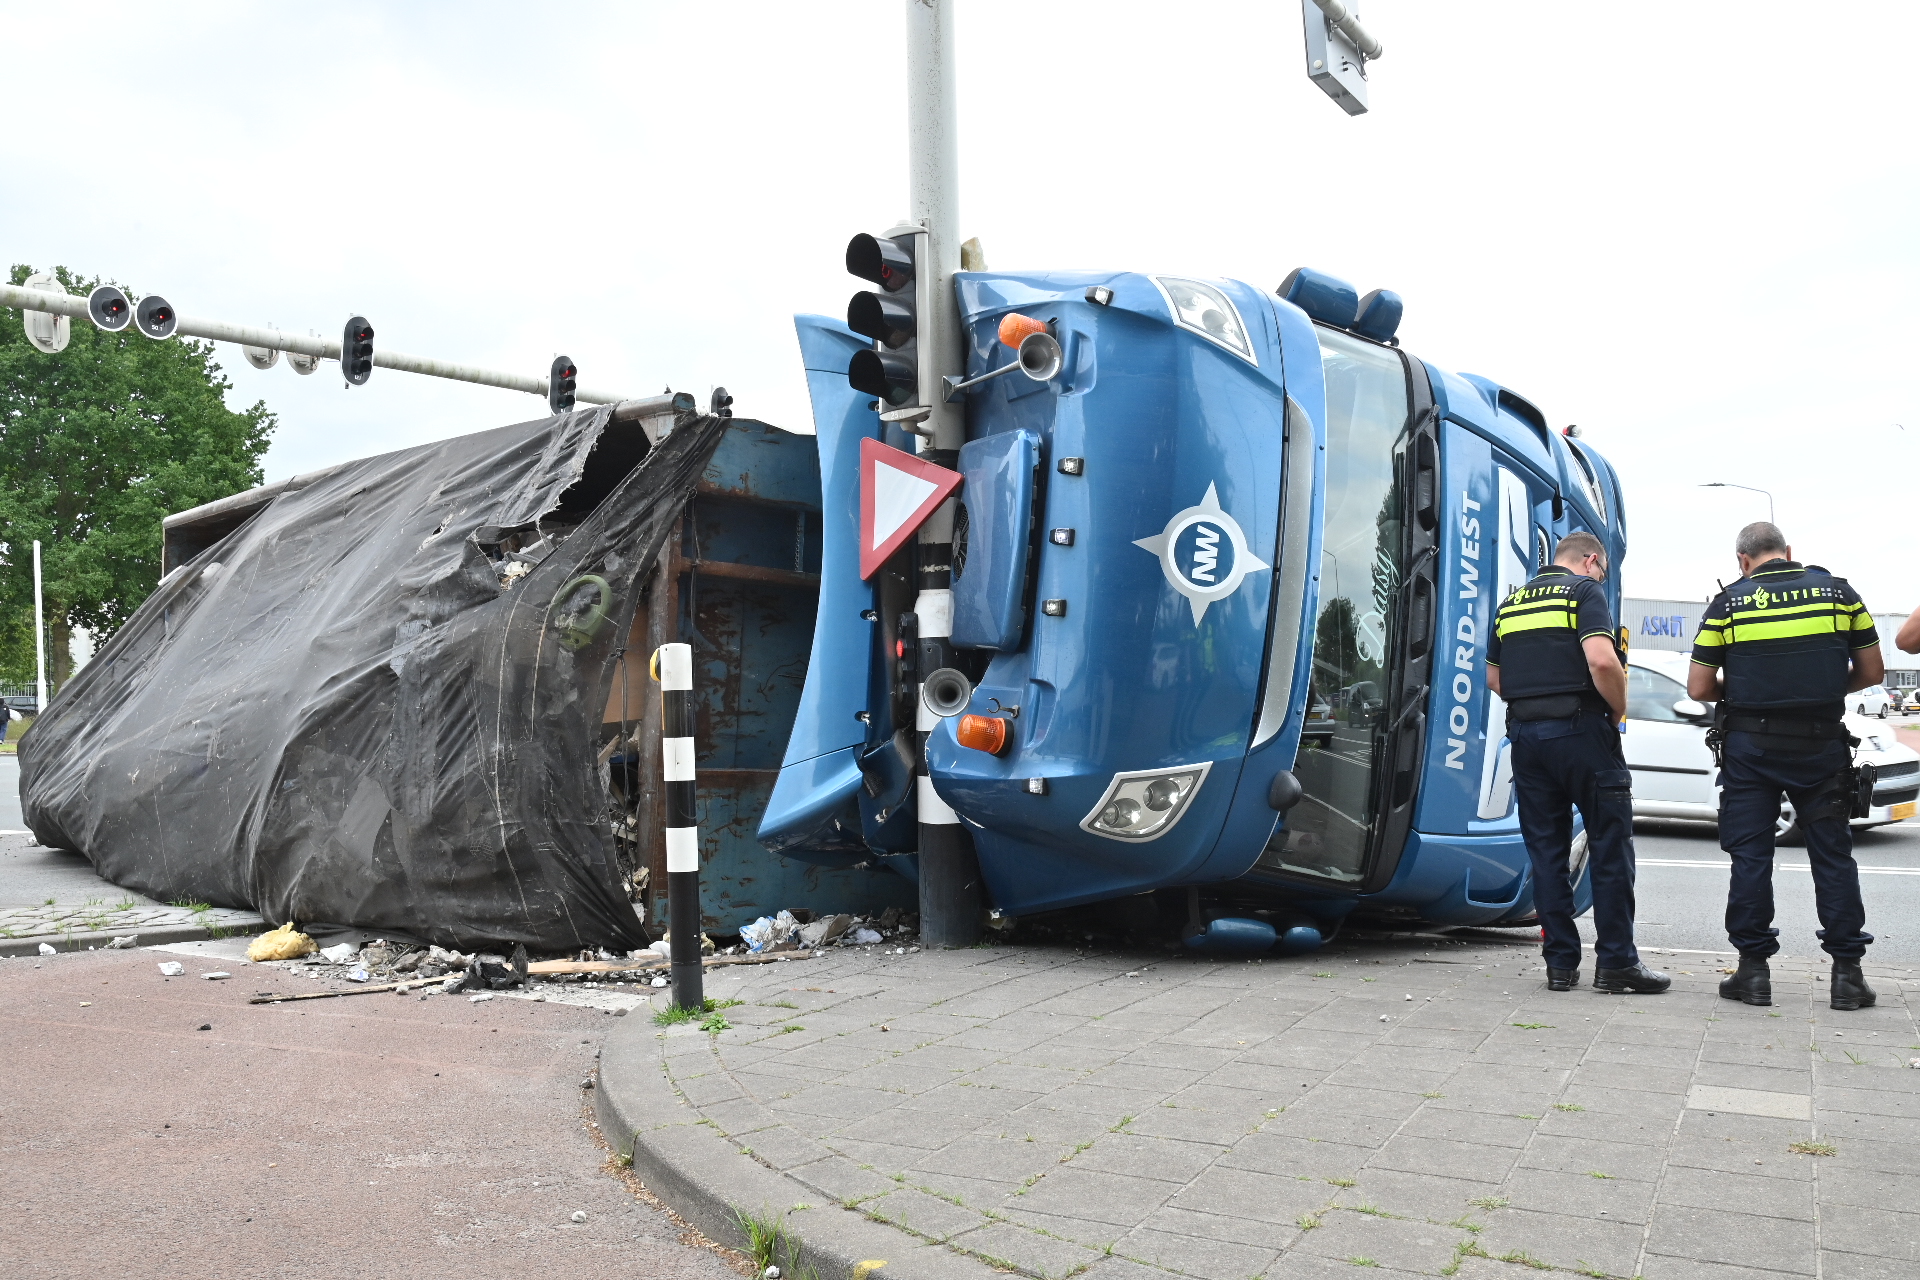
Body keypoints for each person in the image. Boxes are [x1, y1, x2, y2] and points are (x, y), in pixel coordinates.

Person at [1688, 522, 1884, 1010]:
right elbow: (1872, 672)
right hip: (1821, 745)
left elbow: (1698, 687)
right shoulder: (1839, 594)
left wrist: (1746, 692)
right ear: (1788, 551)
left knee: (1751, 858)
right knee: (1833, 856)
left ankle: (1753, 973)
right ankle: (1847, 977)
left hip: (1750, 749)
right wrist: (1822, 690)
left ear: (1742, 560)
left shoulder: (1727, 604)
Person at [1488, 531, 1669, 996]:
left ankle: (1560, 966)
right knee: (1609, 845)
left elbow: (1494, 677)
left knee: (1546, 853)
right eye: (1602, 571)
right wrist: (1616, 709)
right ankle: (1617, 964)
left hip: (1527, 738)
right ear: (1590, 560)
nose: (1600, 578)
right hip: (1582, 733)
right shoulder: (1584, 592)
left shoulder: (1512, 604)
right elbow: (1602, 662)